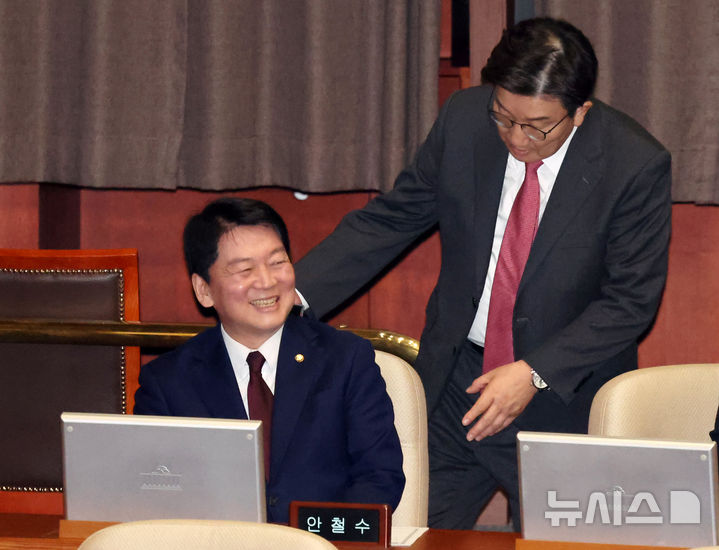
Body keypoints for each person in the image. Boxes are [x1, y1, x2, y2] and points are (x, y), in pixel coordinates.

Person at [294, 17, 671, 530]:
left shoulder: (633, 164)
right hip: (458, 381)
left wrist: (533, 371)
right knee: (410, 529)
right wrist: (292, 293)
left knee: (554, 540)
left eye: (537, 126)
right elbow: (394, 218)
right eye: (504, 117)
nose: (516, 138)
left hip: (562, 395)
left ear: (580, 112)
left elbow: (629, 301)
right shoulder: (466, 118)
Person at [134, 197, 405, 524]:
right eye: (244, 269)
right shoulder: (167, 382)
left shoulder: (346, 360)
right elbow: (158, 496)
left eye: (278, 262)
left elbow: (379, 477)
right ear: (204, 290)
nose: (266, 281)